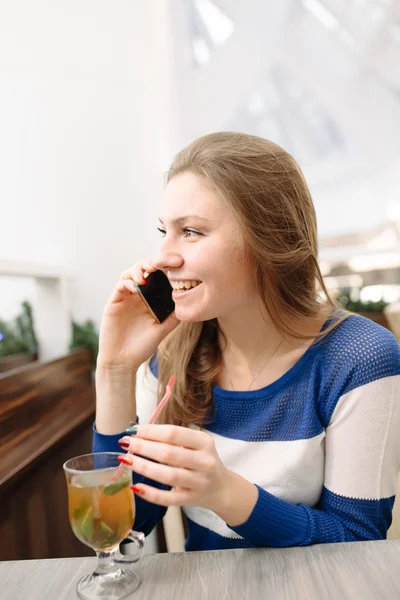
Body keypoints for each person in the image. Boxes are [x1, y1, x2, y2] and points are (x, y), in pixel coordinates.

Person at [93, 132, 400, 551]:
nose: (164, 255)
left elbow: (358, 541)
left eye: (192, 232)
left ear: (268, 238)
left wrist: (226, 493)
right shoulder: (169, 356)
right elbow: (122, 528)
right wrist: (114, 372)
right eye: (165, 230)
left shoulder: (360, 358)